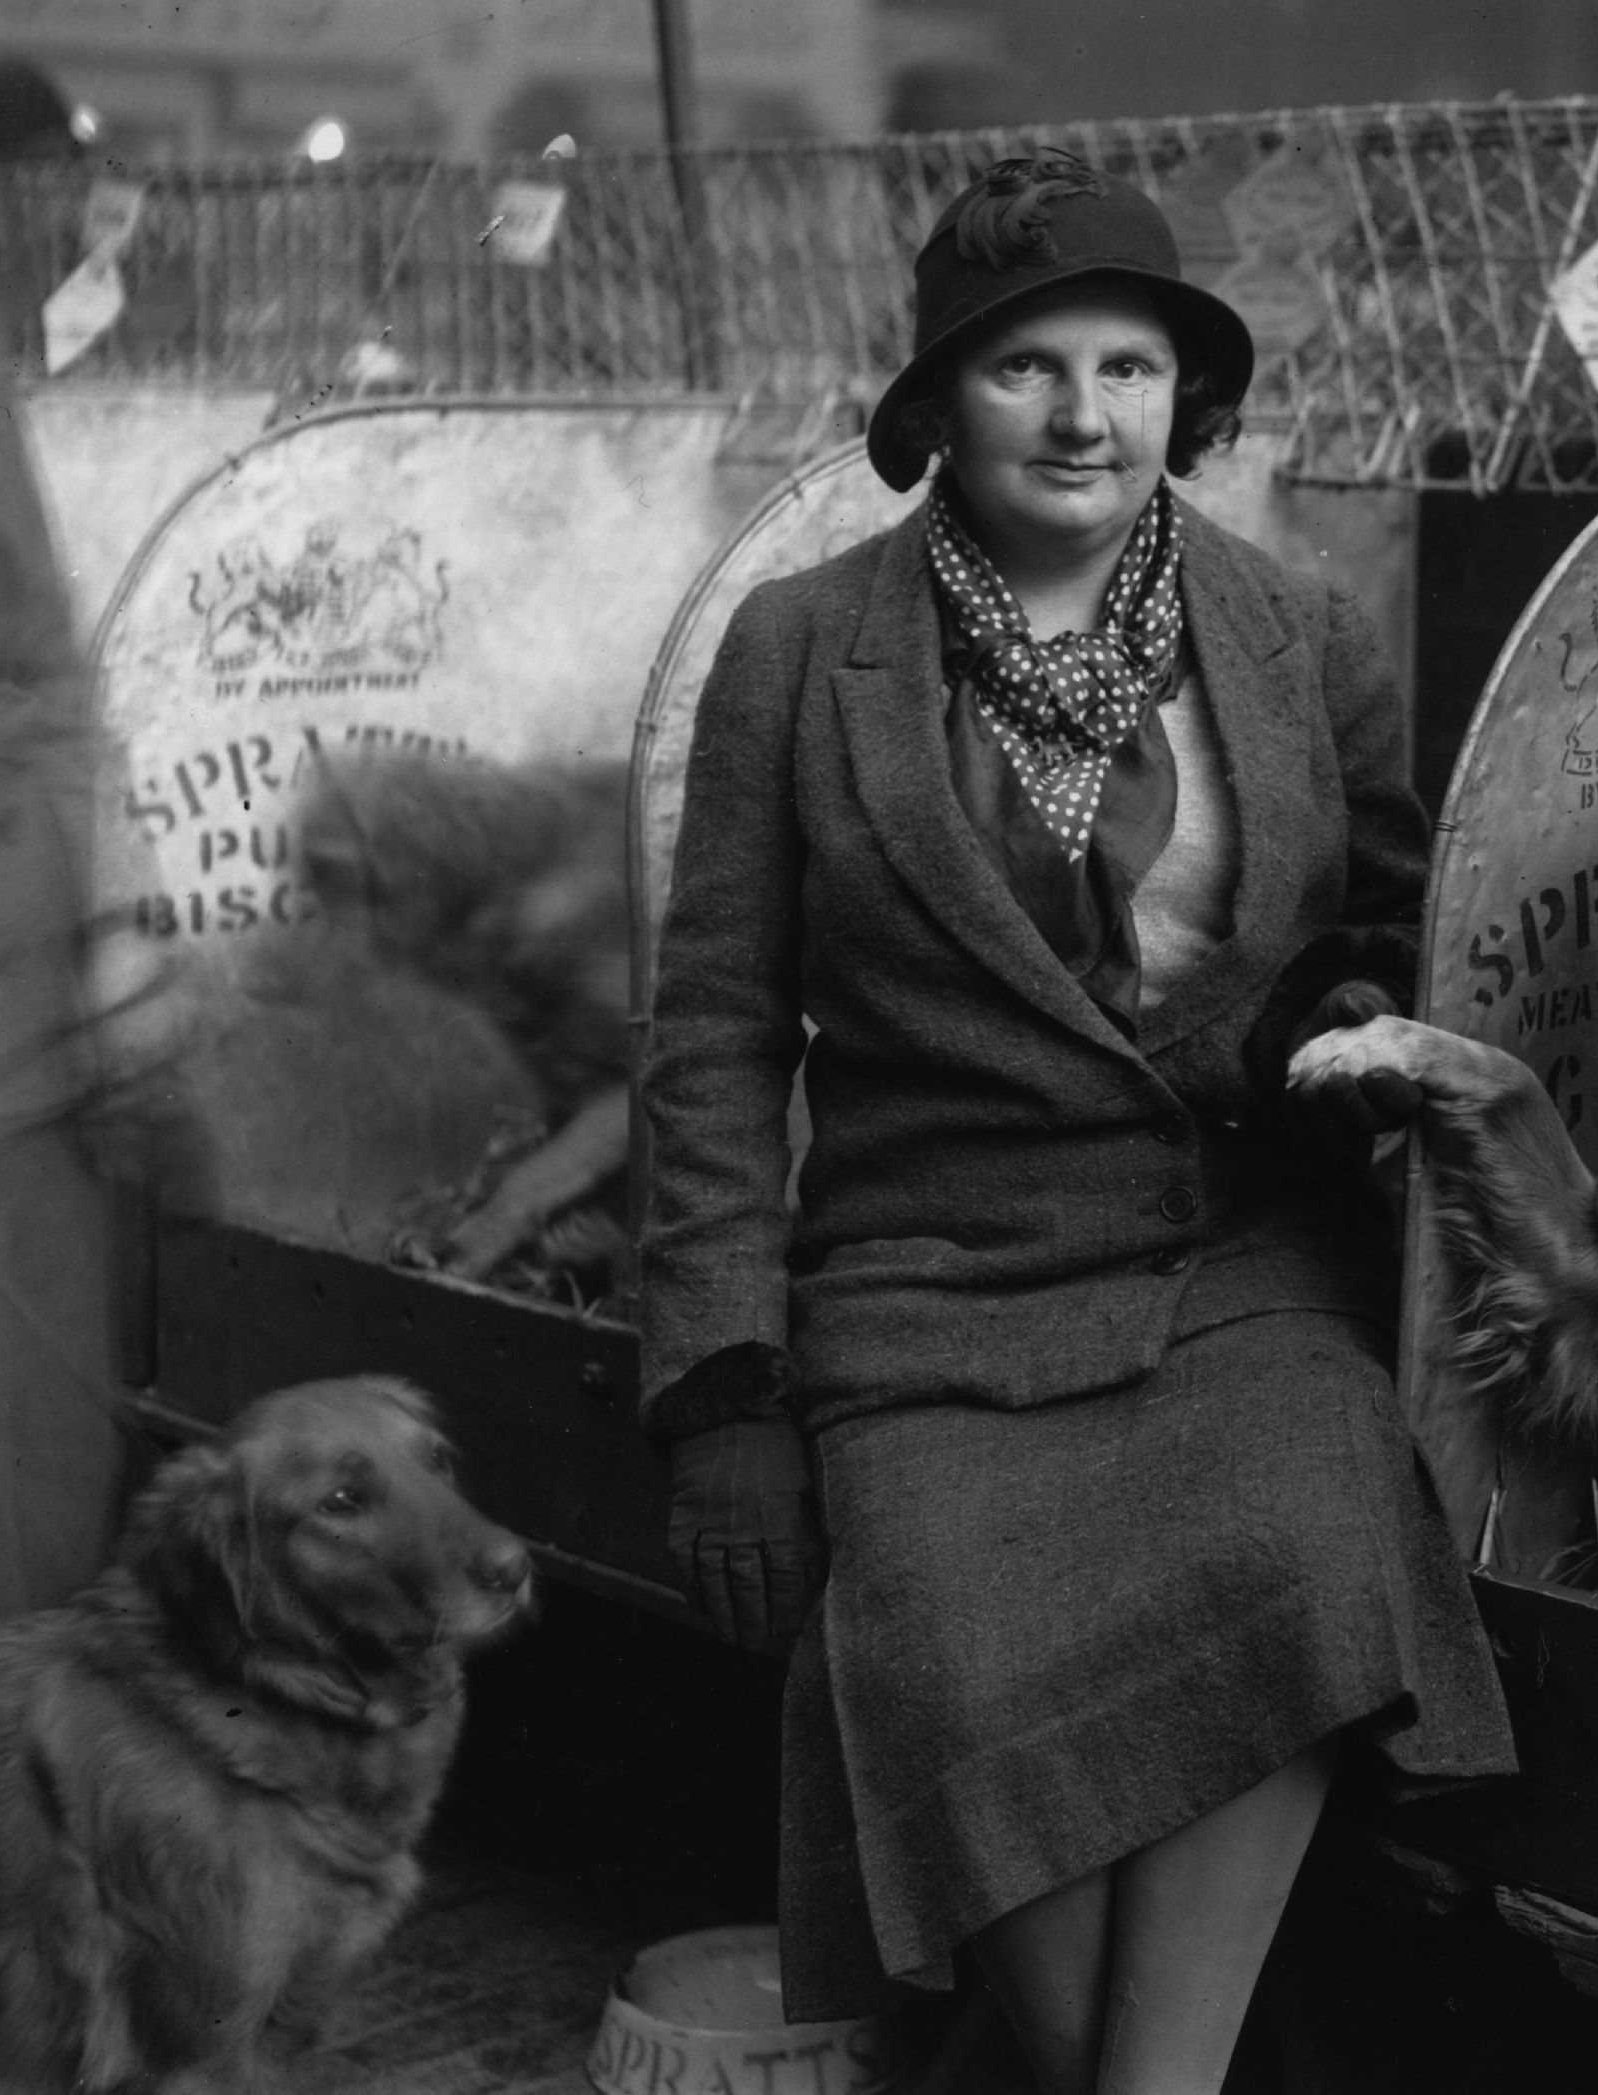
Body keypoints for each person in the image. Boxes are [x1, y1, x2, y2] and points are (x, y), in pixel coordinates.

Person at [636, 150, 1514, 2095]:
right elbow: (709, 1028)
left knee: (1308, 1525)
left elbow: (1381, 926)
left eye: (1127, 367)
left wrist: (1354, 1023)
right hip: (927, 1282)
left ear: (1178, 402)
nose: (1083, 412)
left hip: (1229, 1252)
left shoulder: (1297, 635)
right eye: (1027, 365)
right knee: (949, 1641)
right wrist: (718, 1390)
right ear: (939, 398)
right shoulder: (799, 654)